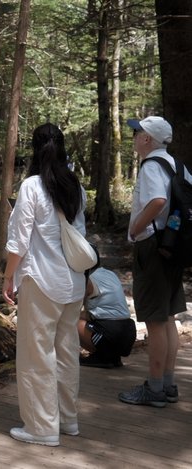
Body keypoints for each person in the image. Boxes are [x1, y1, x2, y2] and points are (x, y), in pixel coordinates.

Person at [3, 123, 87, 446]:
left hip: (41, 281)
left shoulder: (32, 186)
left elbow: (19, 242)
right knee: (66, 352)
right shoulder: (75, 187)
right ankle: (68, 420)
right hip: (73, 283)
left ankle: (42, 428)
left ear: (34, 150)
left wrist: (8, 277)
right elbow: (81, 235)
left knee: (37, 355)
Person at [120, 116, 187, 407]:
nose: (134, 137)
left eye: (137, 132)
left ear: (147, 138)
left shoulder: (151, 166)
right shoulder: (177, 165)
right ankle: (168, 385)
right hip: (173, 247)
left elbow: (157, 201)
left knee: (155, 321)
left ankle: (155, 389)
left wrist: (136, 229)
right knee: (168, 317)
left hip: (152, 247)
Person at [79, 262, 137, 369]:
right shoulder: (109, 273)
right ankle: (112, 357)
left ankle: (102, 357)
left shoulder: (88, 280)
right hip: (128, 331)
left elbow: (75, 309)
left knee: (70, 321)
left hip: (110, 334)